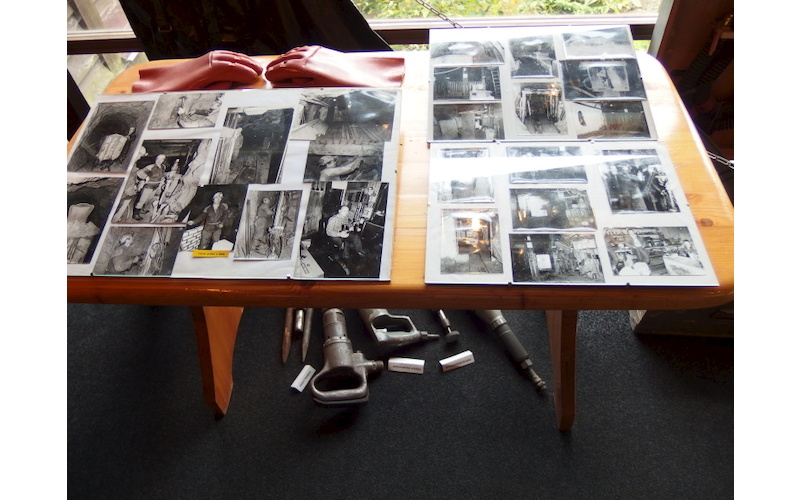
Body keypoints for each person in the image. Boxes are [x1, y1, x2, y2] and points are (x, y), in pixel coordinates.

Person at [133, 154, 168, 220]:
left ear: (163, 160)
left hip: (156, 186)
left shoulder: (163, 167)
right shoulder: (151, 166)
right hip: (148, 186)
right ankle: (135, 214)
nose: (159, 160)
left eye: (162, 159)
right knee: (142, 200)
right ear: (156, 158)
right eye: (158, 158)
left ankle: (142, 210)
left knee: (148, 199)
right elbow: (139, 172)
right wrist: (146, 177)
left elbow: (162, 175)